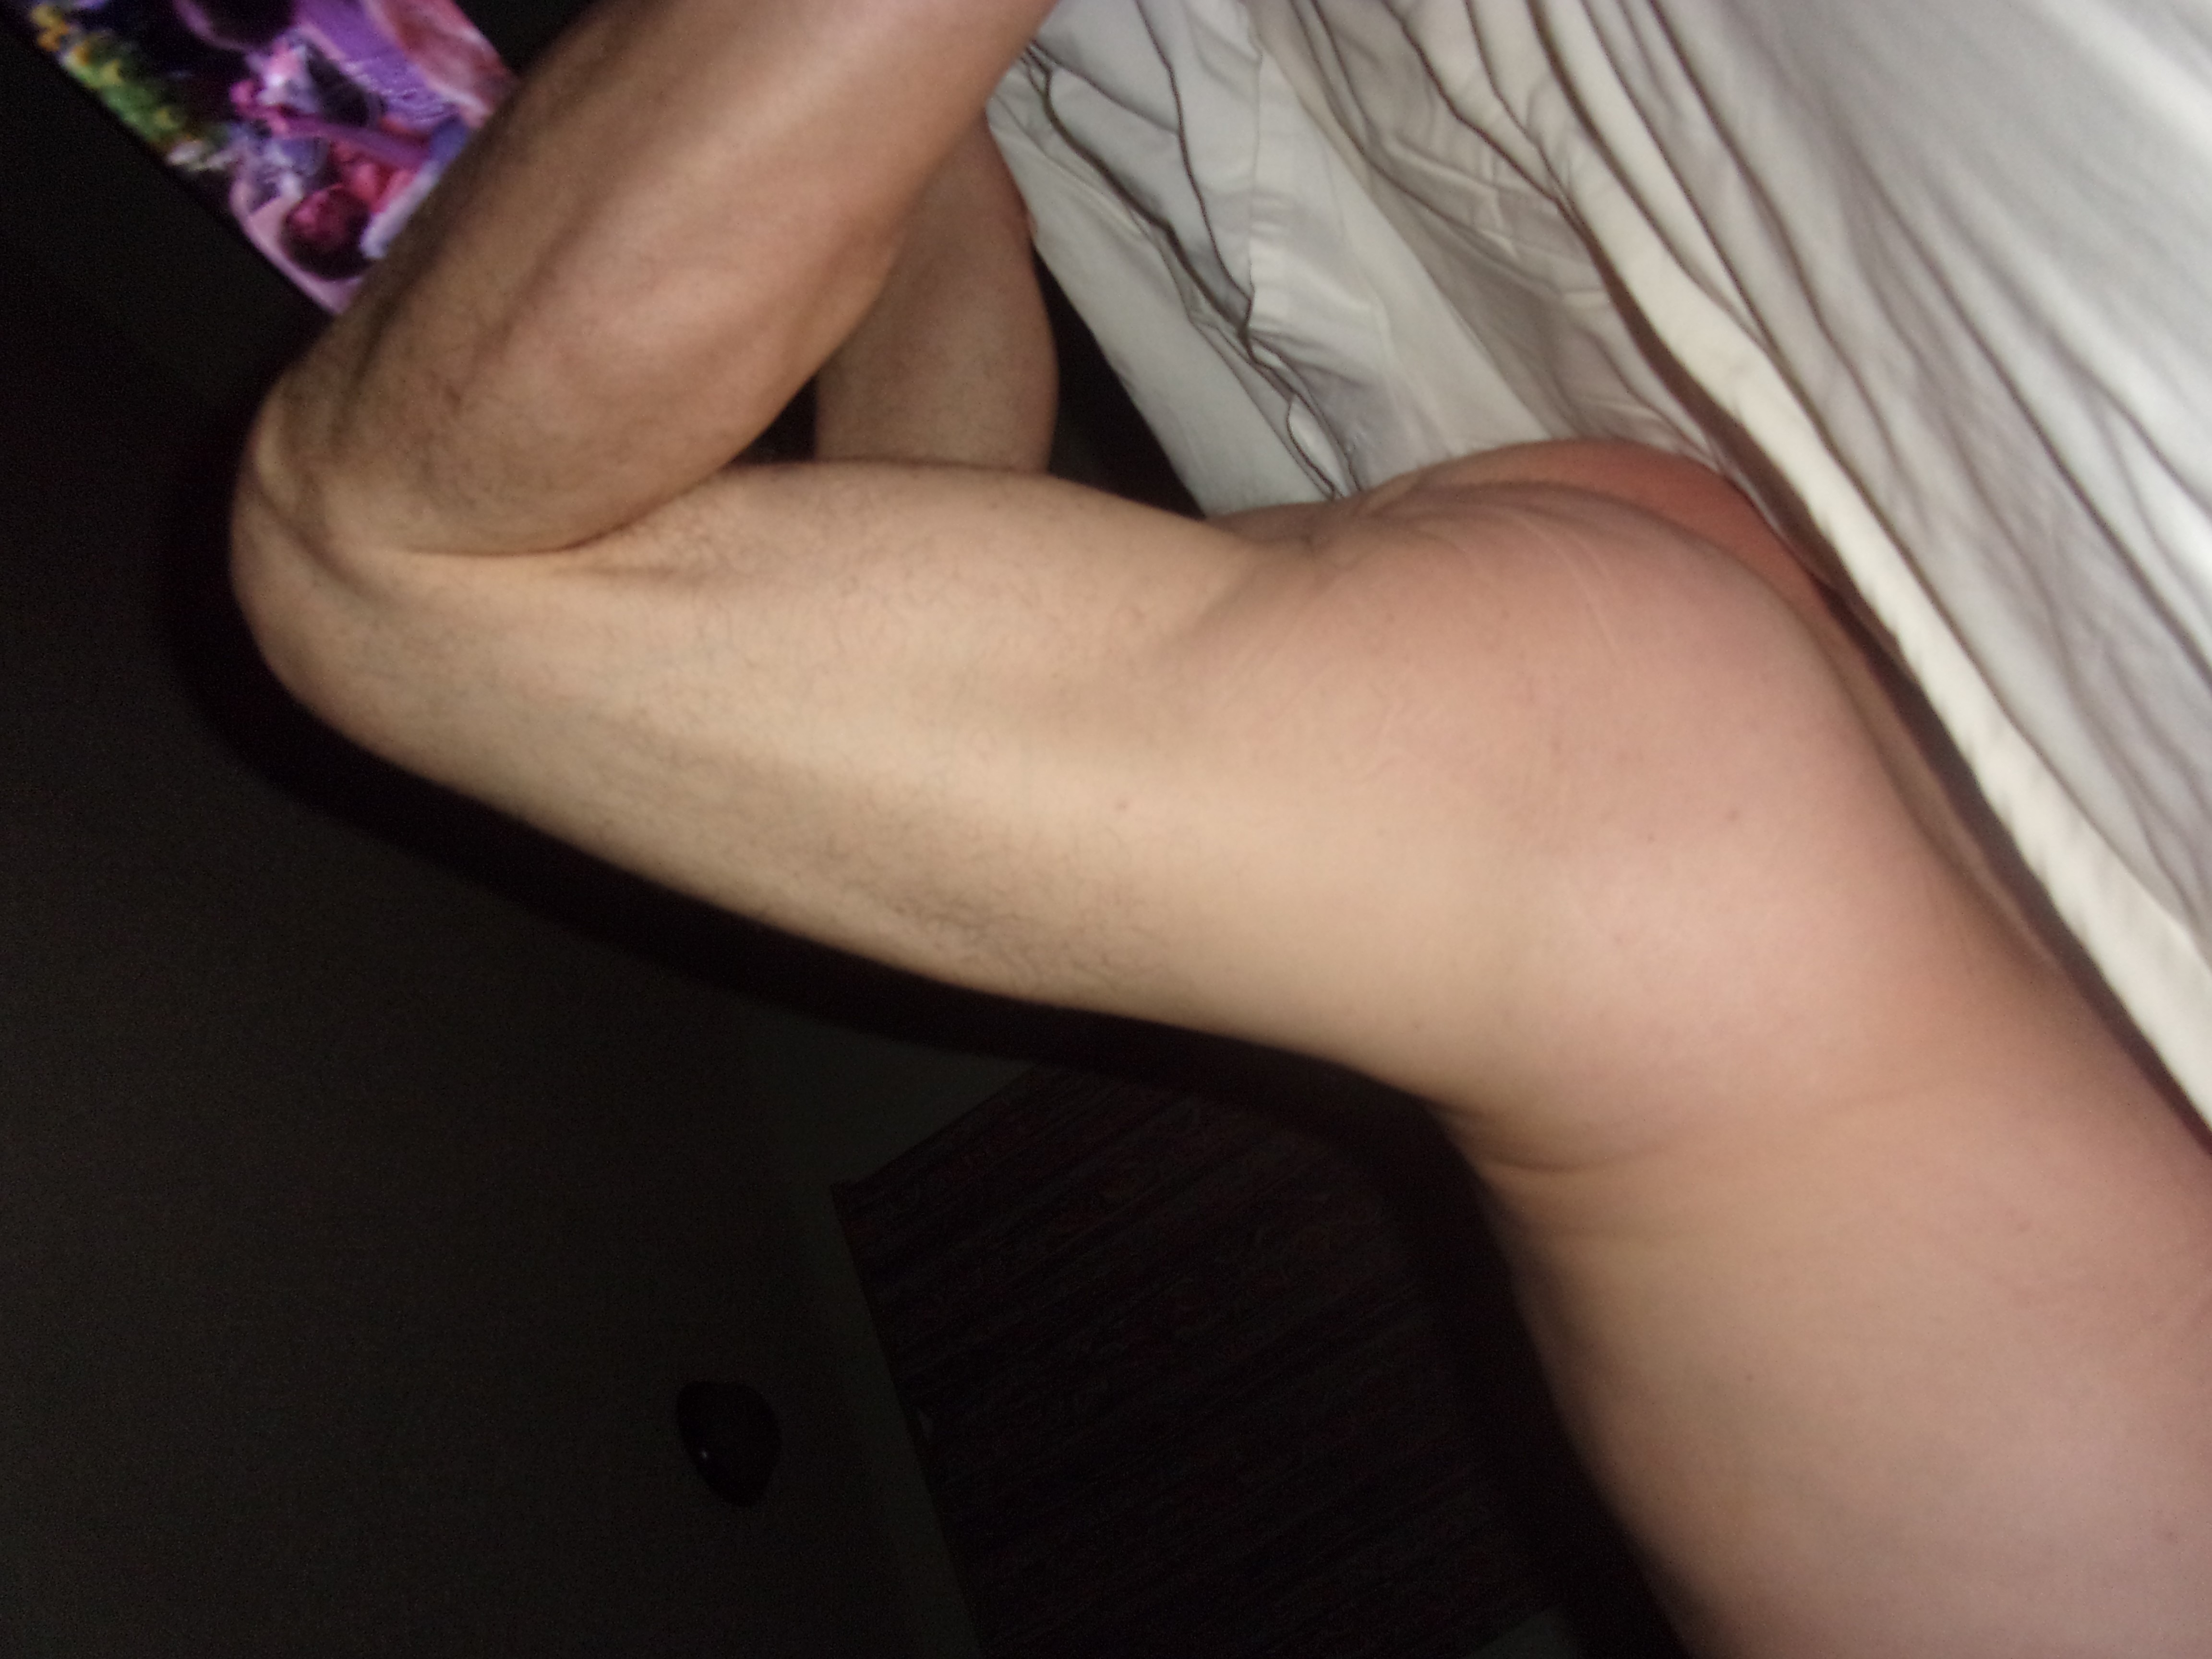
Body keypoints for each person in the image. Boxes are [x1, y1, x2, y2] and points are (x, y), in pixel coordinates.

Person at [227, 0, 2212, 1653]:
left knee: (511, 591)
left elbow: (936, 558)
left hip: (1691, 878)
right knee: (374, 559)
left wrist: (933, 183)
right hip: (1687, 896)